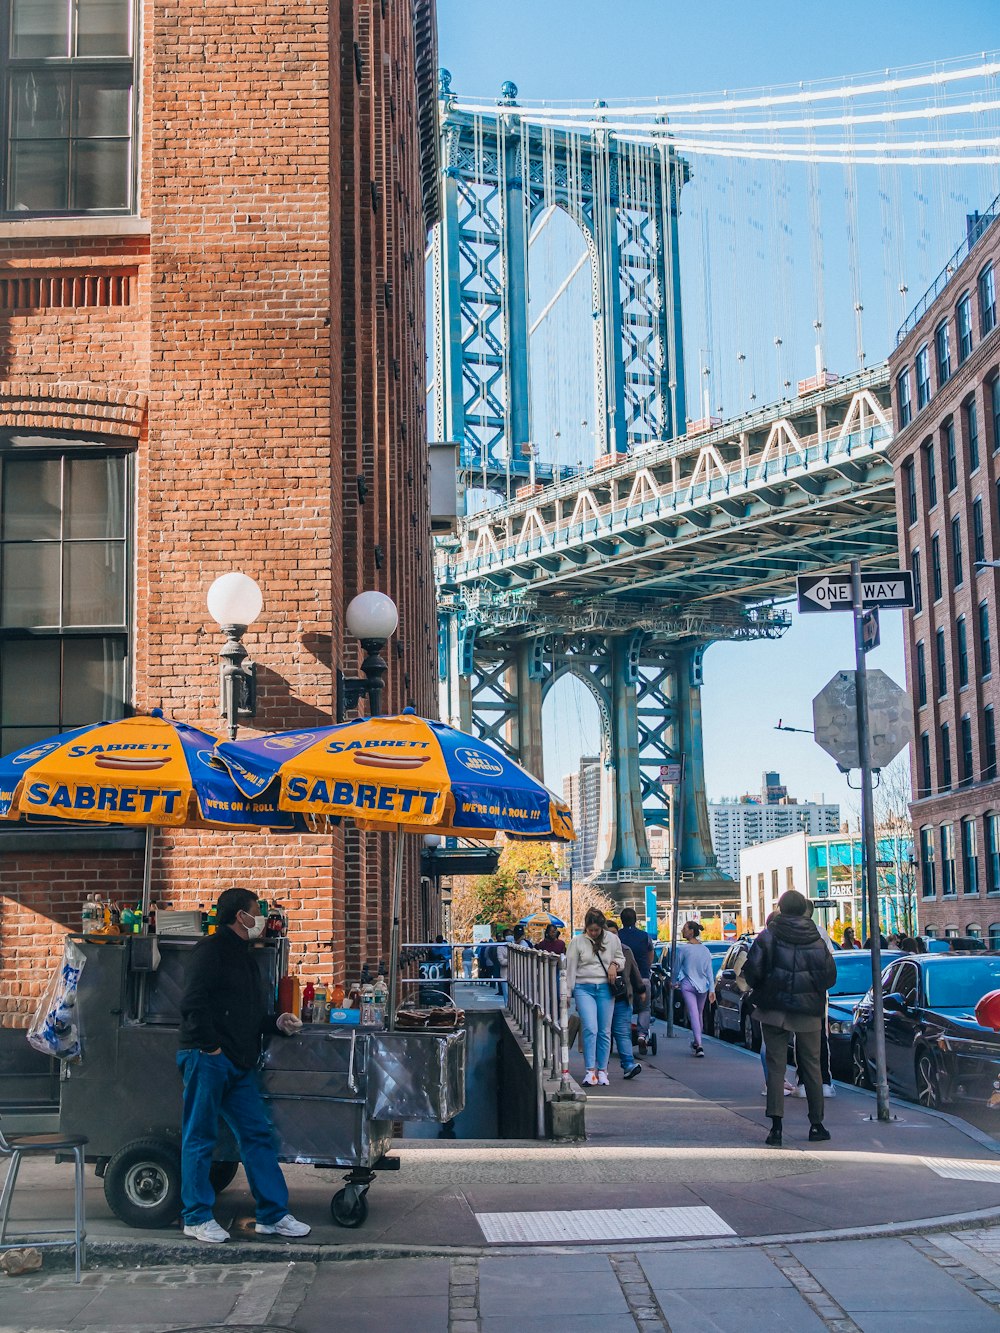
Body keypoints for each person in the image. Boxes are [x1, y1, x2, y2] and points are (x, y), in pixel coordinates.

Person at [177, 887, 312, 1244]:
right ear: (241, 916)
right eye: (257, 911)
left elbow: (246, 1013)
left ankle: (273, 1214)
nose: (262, 918)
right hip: (209, 1058)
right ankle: (195, 1217)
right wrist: (210, 1048)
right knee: (200, 1137)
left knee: (256, 1135)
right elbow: (192, 1003)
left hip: (235, 1062)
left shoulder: (244, 954)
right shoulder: (211, 950)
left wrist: (276, 1021)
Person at [742, 889, 837, 1149]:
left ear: (782, 908)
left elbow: (752, 971)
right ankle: (816, 1124)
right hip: (808, 1010)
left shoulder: (769, 935)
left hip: (774, 1009)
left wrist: (765, 986)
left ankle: (776, 1127)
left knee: (776, 1066)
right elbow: (829, 977)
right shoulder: (816, 937)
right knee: (812, 1066)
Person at [566, 908, 626, 1086]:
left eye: (596, 930)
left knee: (604, 1030)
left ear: (602, 928)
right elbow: (571, 968)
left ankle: (603, 1070)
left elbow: (621, 958)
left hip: (606, 988)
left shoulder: (612, 939)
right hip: (584, 987)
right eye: (590, 930)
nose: (593, 933)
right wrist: (568, 991)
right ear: (585, 927)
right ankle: (590, 1070)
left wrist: (614, 965)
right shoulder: (577, 941)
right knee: (590, 1028)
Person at [606, 921, 643, 1079]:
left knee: (622, 1033)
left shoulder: (626, 950)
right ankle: (600, 1067)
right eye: (609, 933)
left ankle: (628, 1065)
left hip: (622, 997)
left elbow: (634, 971)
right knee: (603, 1033)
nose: (613, 936)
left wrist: (640, 989)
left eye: (615, 933)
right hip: (603, 998)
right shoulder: (598, 951)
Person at [674, 920, 715, 1057]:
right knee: (699, 1013)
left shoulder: (683, 949)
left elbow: (677, 967)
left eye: (685, 928)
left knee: (693, 1013)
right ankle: (698, 1042)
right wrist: (712, 990)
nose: (683, 931)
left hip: (688, 984)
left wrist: (674, 981)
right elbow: (709, 971)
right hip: (703, 986)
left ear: (691, 931)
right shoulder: (705, 950)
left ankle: (699, 1045)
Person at [618, 907, 655, 1055]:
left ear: (621, 920)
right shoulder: (645, 936)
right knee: (645, 1008)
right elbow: (650, 954)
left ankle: (625, 1035)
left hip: (624, 980)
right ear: (635, 920)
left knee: (624, 1008)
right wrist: (645, 967)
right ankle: (641, 1035)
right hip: (643, 978)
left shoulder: (617, 937)